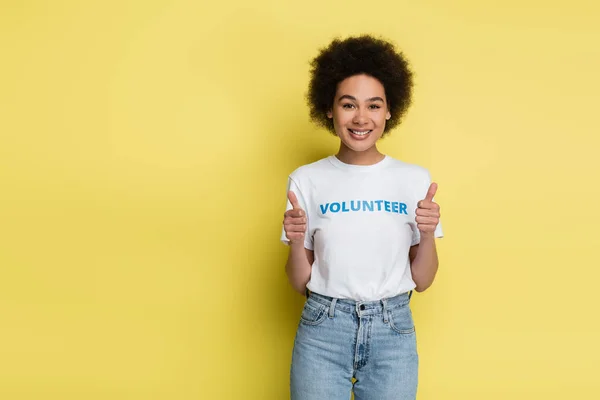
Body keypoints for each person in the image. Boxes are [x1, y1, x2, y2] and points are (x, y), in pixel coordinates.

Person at [280, 34, 444, 400]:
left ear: (389, 110)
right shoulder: (306, 180)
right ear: (330, 109)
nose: (361, 118)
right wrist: (295, 241)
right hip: (323, 330)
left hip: (393, 331)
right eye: (348, 105)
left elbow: (424, 280)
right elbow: (298, 281)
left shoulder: (414, 179)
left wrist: (428, 234)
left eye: (373, 106)